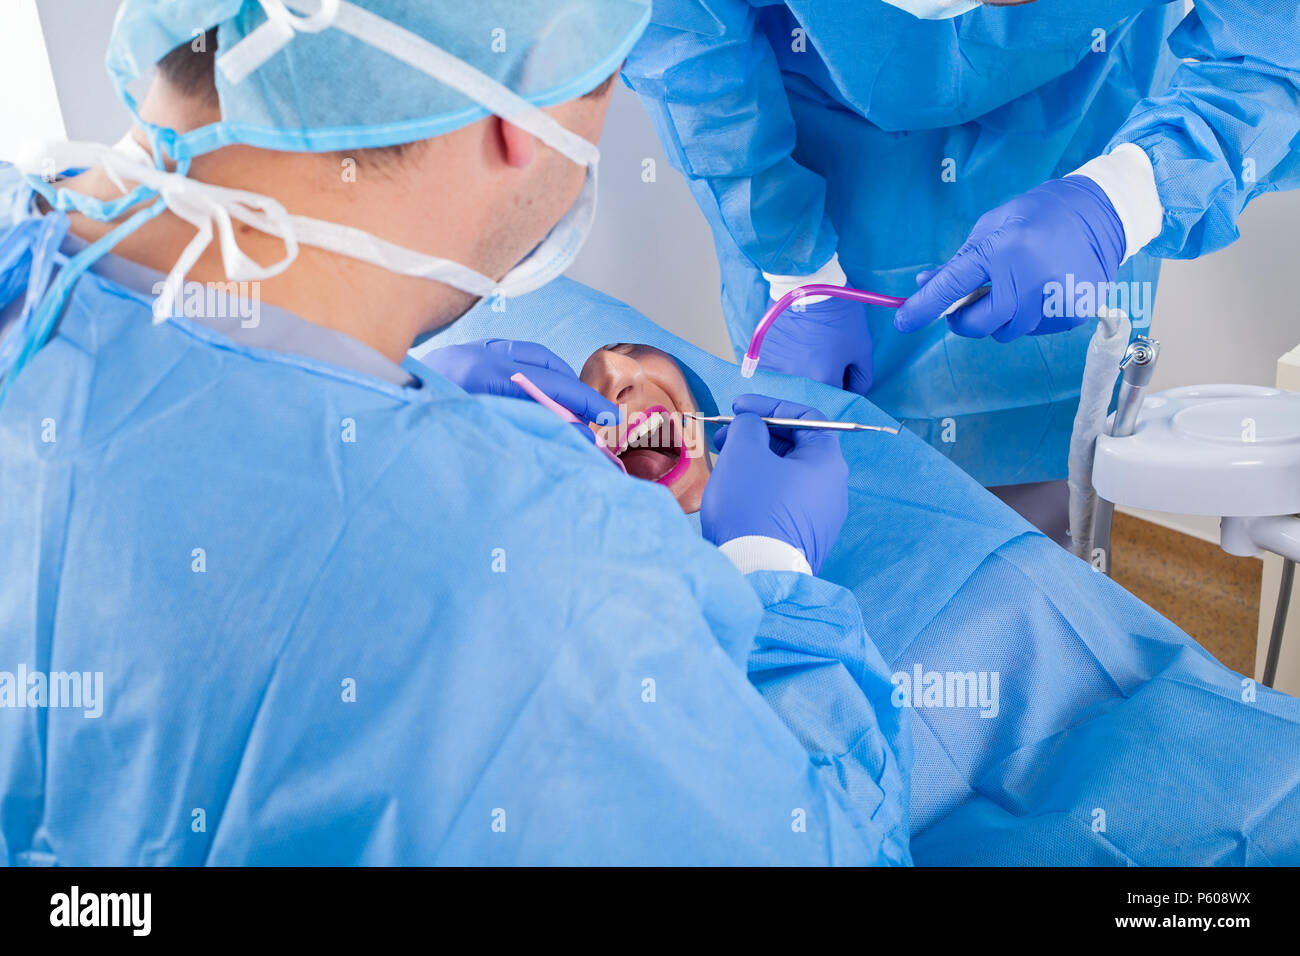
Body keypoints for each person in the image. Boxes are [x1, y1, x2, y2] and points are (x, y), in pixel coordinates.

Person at [0, 1, 909, 864]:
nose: (620, 384)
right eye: (609, 76)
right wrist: (772, 580)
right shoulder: (548, 592)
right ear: (524, 106)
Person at [621, 0, 1300, 541]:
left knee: (1029, 536)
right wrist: (794, 266)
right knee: (826, 501)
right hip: (814, 147)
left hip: (1080, 126)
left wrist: (1128, 195)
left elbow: (1274, 43)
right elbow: (686, 41)